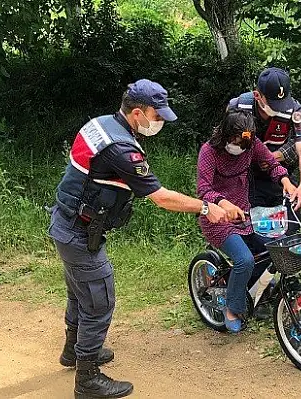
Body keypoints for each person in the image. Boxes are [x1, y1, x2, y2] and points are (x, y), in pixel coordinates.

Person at [49, 79, 228, 399]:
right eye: (156, 116)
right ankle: (87, 378)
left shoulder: (100, 124)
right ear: (136, 112)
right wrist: (205, 207)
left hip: (66, 221)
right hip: (78, 232)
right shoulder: (121, 148)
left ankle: (72, 351)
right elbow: (161, 198)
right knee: (99, 299)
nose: (159, 122)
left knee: (79, 292)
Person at [197, 108, 297, 333]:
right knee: (244, 260)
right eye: (235, 141)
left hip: (245, 215)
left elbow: (272, 164)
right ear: (225, 135)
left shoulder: (251, 145)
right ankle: (232, 308)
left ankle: (251, 290)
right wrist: (223, 203)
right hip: (217, 218)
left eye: (244, 144)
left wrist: (286, 182)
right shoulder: (209, 151)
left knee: (271, 248)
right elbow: (203, 189)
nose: (239, 148)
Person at [228, 67, 301, 232]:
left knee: (291, 228)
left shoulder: (295, 110)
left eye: (283, 103)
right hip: (247, 178)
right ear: (257, 95)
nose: (280, 108)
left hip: (282, 177)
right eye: (274, 103)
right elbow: (226, 148)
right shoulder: (237, 106)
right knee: (255, 232)